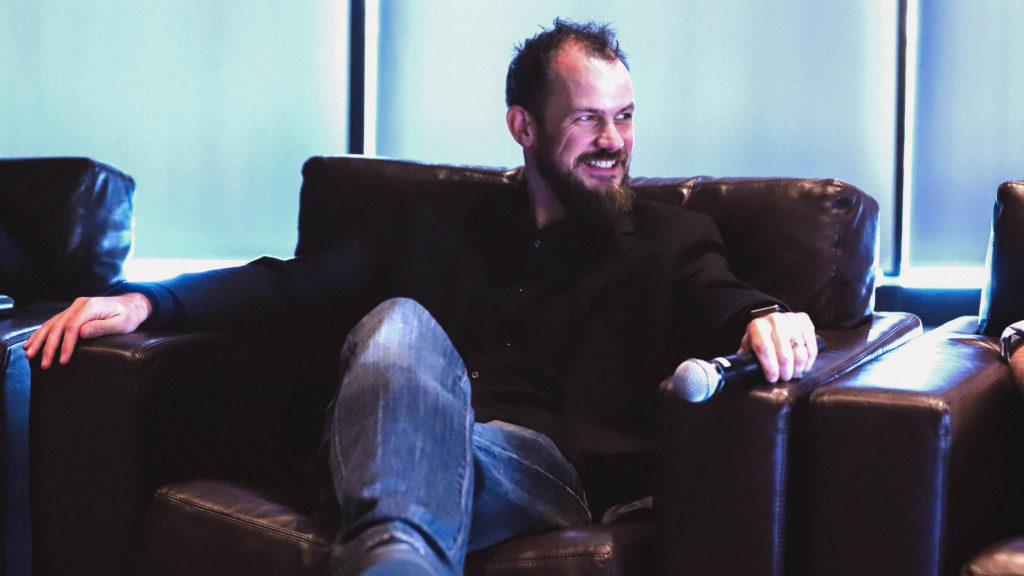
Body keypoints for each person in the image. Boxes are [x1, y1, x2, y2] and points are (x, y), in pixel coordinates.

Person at [24, 19, 817, 576]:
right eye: (587, 119)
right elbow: (298, 282)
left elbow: (721, 293)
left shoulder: (673, 238)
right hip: (394, 435)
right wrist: (147, 305)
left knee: (419, 440)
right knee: (399, 325)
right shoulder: (435, 222)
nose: (614, 140)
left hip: (537, 470)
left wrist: (761, 316)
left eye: (625, 117)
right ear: (524, 126)